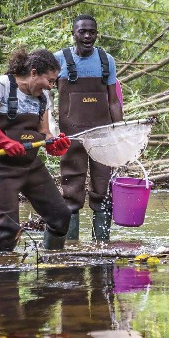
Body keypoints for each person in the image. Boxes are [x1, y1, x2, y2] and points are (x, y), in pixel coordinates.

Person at [0, 48, 72, 252]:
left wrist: (53, 143)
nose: (52, 86)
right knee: (7, 228)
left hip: (30, 164)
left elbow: (43, 132)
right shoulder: (1, 86)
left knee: (61, 216)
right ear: (33, 72)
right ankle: (3, 277)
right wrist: (2, 140)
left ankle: (52, 264)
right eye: (49, 80)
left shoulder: (43, 97)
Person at [54, 15, 123, 242]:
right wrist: (49, 129)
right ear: (73, 33)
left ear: (96, 34)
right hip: (70, 136)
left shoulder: (106, 60)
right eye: (82, 31)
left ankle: (101, 244)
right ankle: (71, 244)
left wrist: (119, 131)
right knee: (71, 187)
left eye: (91, 32)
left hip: (103, 135)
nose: (87, 36)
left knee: (102, 187)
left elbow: (113, 101)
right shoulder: (59, 60)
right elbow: (43, 95)